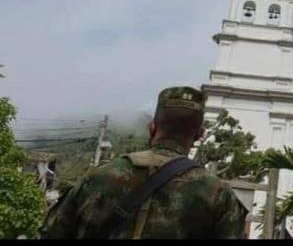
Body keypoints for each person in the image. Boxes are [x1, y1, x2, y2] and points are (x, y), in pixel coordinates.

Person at [41, 86, 247, 239]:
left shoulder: (96, 179)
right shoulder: (218, 195)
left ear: (152, 128)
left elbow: (53, 232)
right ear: (199, 135)